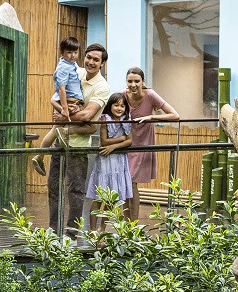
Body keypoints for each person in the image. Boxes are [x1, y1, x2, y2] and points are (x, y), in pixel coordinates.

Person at [47, 43, 110, 240]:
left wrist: (63, 117)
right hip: (60, 139)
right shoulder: (76, 71)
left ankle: (72, 233)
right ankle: (53, 229)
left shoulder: (102, 87)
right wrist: (63, 109)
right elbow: (57, 94)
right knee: (53, 185)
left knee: (76, 189)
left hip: (79, 145)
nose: (91, 62)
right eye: (88, 57)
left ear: (102, 63)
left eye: (96, 60)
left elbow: (88, 115)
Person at [122, 66, 179, 220]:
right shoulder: (122, 95)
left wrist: (151, 117)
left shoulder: (150, 95)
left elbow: (175, 115)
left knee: (131, 182)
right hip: (125, 142)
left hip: (142, 142)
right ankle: (126, 224)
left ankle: (132, 225)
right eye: (130, 81)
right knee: (125, 183)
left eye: (136, 81)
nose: (133, 85)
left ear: (143, 81)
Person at [31, 36, 84, 177]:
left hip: (69, 100)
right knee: (60, 129)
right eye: (69, 52)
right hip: (69, 100)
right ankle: (40, 155)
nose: (72, 56)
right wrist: (64, 108)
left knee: (55, 130)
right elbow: (61, 89)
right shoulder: (63, 67)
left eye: (75, 52)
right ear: (62, 53)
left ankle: (40, 156)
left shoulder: (71, 65)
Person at [85, 92, 133, 233]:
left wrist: (114, 146)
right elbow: (104, 141)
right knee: (99, 197)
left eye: (122, 106)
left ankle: (102, 228)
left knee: (112, 198)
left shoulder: (126, 120)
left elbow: (130, 141)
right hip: (106, 161)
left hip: (119, 161)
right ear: (110, 106)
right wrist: (121, 139)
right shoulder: (105, 119)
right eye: (116, 105)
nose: (119, 108)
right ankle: (92, 229)